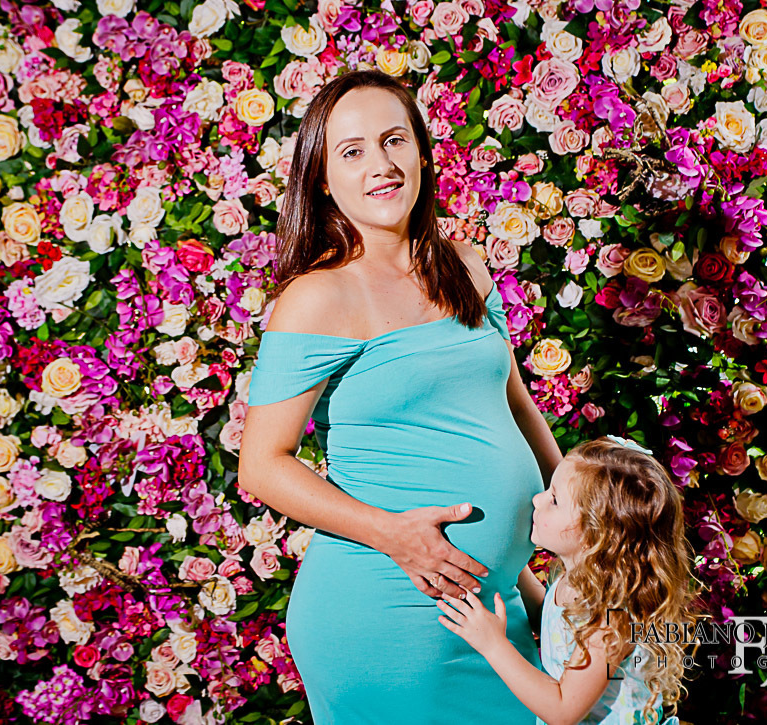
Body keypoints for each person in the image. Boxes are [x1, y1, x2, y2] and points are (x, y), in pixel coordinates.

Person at [237, 70, 563, 723]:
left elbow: (513, 406)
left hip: (493, 603)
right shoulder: (319, 296)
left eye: (394, 141)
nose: (380, 165)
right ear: (322, 178)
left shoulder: (465, 264)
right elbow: (261, 465)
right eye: (352, 151)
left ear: (421, 152)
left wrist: (588, 533)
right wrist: (395, 536)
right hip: (389, 609)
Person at [437, 437, 696, 725]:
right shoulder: (578, 580)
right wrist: (508, 566)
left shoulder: (611, 619)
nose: (537, 499)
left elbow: (562, 710)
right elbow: (554, 624)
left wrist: (491, 643)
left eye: (555, 500)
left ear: (596, 534)